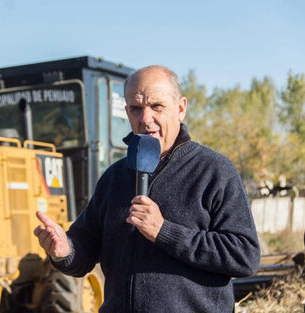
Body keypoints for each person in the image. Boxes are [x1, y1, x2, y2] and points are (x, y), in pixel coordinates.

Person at [34, 65, 260, 313]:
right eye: (136, 108)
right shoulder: (114, 177)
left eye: (157, 106)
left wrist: (164, 232)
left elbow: (244, 256)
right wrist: (64, 250)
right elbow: (84, 251)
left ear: (181, 108)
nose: (145, 119)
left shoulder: (214, 171)